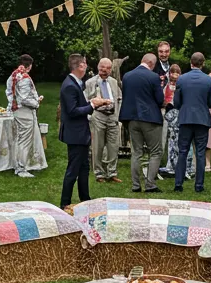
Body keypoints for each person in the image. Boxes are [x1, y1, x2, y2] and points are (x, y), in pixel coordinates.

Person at [59, 52, 110, 207]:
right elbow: (73, 111)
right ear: (80, 66)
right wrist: (93, 105)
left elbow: (77, 105)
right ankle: (64, 203)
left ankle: (85, 200)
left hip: (80, 134)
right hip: (75, 134)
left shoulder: (74, 83)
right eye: (85, 64)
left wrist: (90, 102)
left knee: (84, 168)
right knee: (73, 170)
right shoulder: (69, 86)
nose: (87, 66)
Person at [119, 53, 166, 193]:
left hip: (132, 118)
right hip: (150, 118)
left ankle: (135, 185)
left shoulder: (127, 76)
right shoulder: (153, 77)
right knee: (156, 151)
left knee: (136, 152)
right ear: (152, 64)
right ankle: (150, 184)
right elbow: (159, 99)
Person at [172, 53, 211, 192]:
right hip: (202, 119)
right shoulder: (208, 80)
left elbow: (176, 102)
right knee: (201, 153)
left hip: (185, 119)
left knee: (183, 152)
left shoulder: (182, 79)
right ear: (202, 64)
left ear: (191, 63)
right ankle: (199, 185)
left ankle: (178, 184)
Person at [84, 57, 121, 182]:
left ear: (111, 69)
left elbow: (119, 98)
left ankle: (112, 172)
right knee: (97, 146)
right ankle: (99, 173)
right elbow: (86, 100)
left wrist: (117, 114)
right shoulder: (90, 82)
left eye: (107, 67)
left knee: (114, 146)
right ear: (98, 67)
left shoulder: (114, 82)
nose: (104, 70)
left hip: (112, 116)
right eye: (102, 67)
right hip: (98, 116)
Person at [11, 57, 44, 178]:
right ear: (29, 66)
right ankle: (21, 168)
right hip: (24, 112)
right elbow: (24, 98)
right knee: (24, 141)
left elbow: (11, 93)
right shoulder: (24, 78)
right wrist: (36, 103)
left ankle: (18, 166)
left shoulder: (14, 75)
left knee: (20, 139)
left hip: (17, 110)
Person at [159, 63, 193, 180]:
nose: (174, 75)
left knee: (180, 141)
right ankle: (171, 165)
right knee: (171, 141)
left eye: (177, 72)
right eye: (172, 72)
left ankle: (186, 167)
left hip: (179, 114)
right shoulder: (166, 85)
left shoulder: (182, 85)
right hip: (169, 114)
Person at [153, 41, 173, 162]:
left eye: (166, 51)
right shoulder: (153, 67)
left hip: (171, 106)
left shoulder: (173, 67)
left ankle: (170, 161)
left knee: (172, 135)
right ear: (157, 52)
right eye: (161, 51)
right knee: (159, 136)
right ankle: (157, 161)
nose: (164, 54)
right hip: (157, 106)